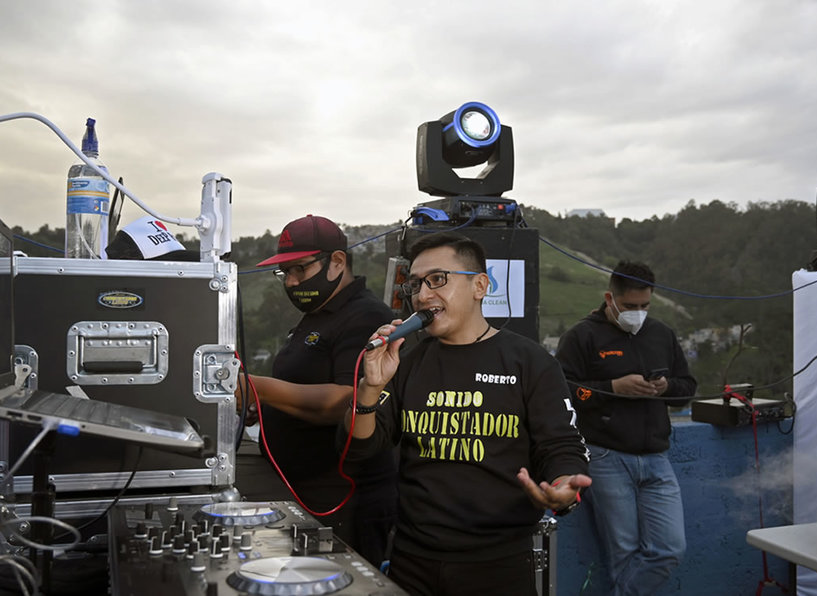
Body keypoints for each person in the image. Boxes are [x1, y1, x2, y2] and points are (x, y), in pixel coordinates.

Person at [342, 231, 591, 596]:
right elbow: (359, 448)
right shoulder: (408, 363)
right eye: (415, 284)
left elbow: (561, 445)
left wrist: (563, 487)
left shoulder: (530, 362)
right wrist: (370, 386)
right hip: (412, 559)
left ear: (480, 286)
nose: (423, 295)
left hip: (498, 565)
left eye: (437, 280)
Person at [233, 214, 398, 567]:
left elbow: (346, 400)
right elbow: (301, 386)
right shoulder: (316, 316)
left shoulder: (366, 317)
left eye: (299, 269)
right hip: (298, 489)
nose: (291, 282)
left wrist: (257, 389)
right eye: (284, 273)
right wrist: (264, 405)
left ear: (337, 261)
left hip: (343, 500)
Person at [555, 260, 697, 596]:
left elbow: (687, 387)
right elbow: (562, 393)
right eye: (630, 306)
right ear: (610, 298)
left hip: (656, 457)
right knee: (624, 553)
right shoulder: (581, 337)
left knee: (670, 549)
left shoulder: (662, 334)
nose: (638, 313)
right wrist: (613, 388)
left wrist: (665, 388)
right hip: (606, 456)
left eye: (645, 306)